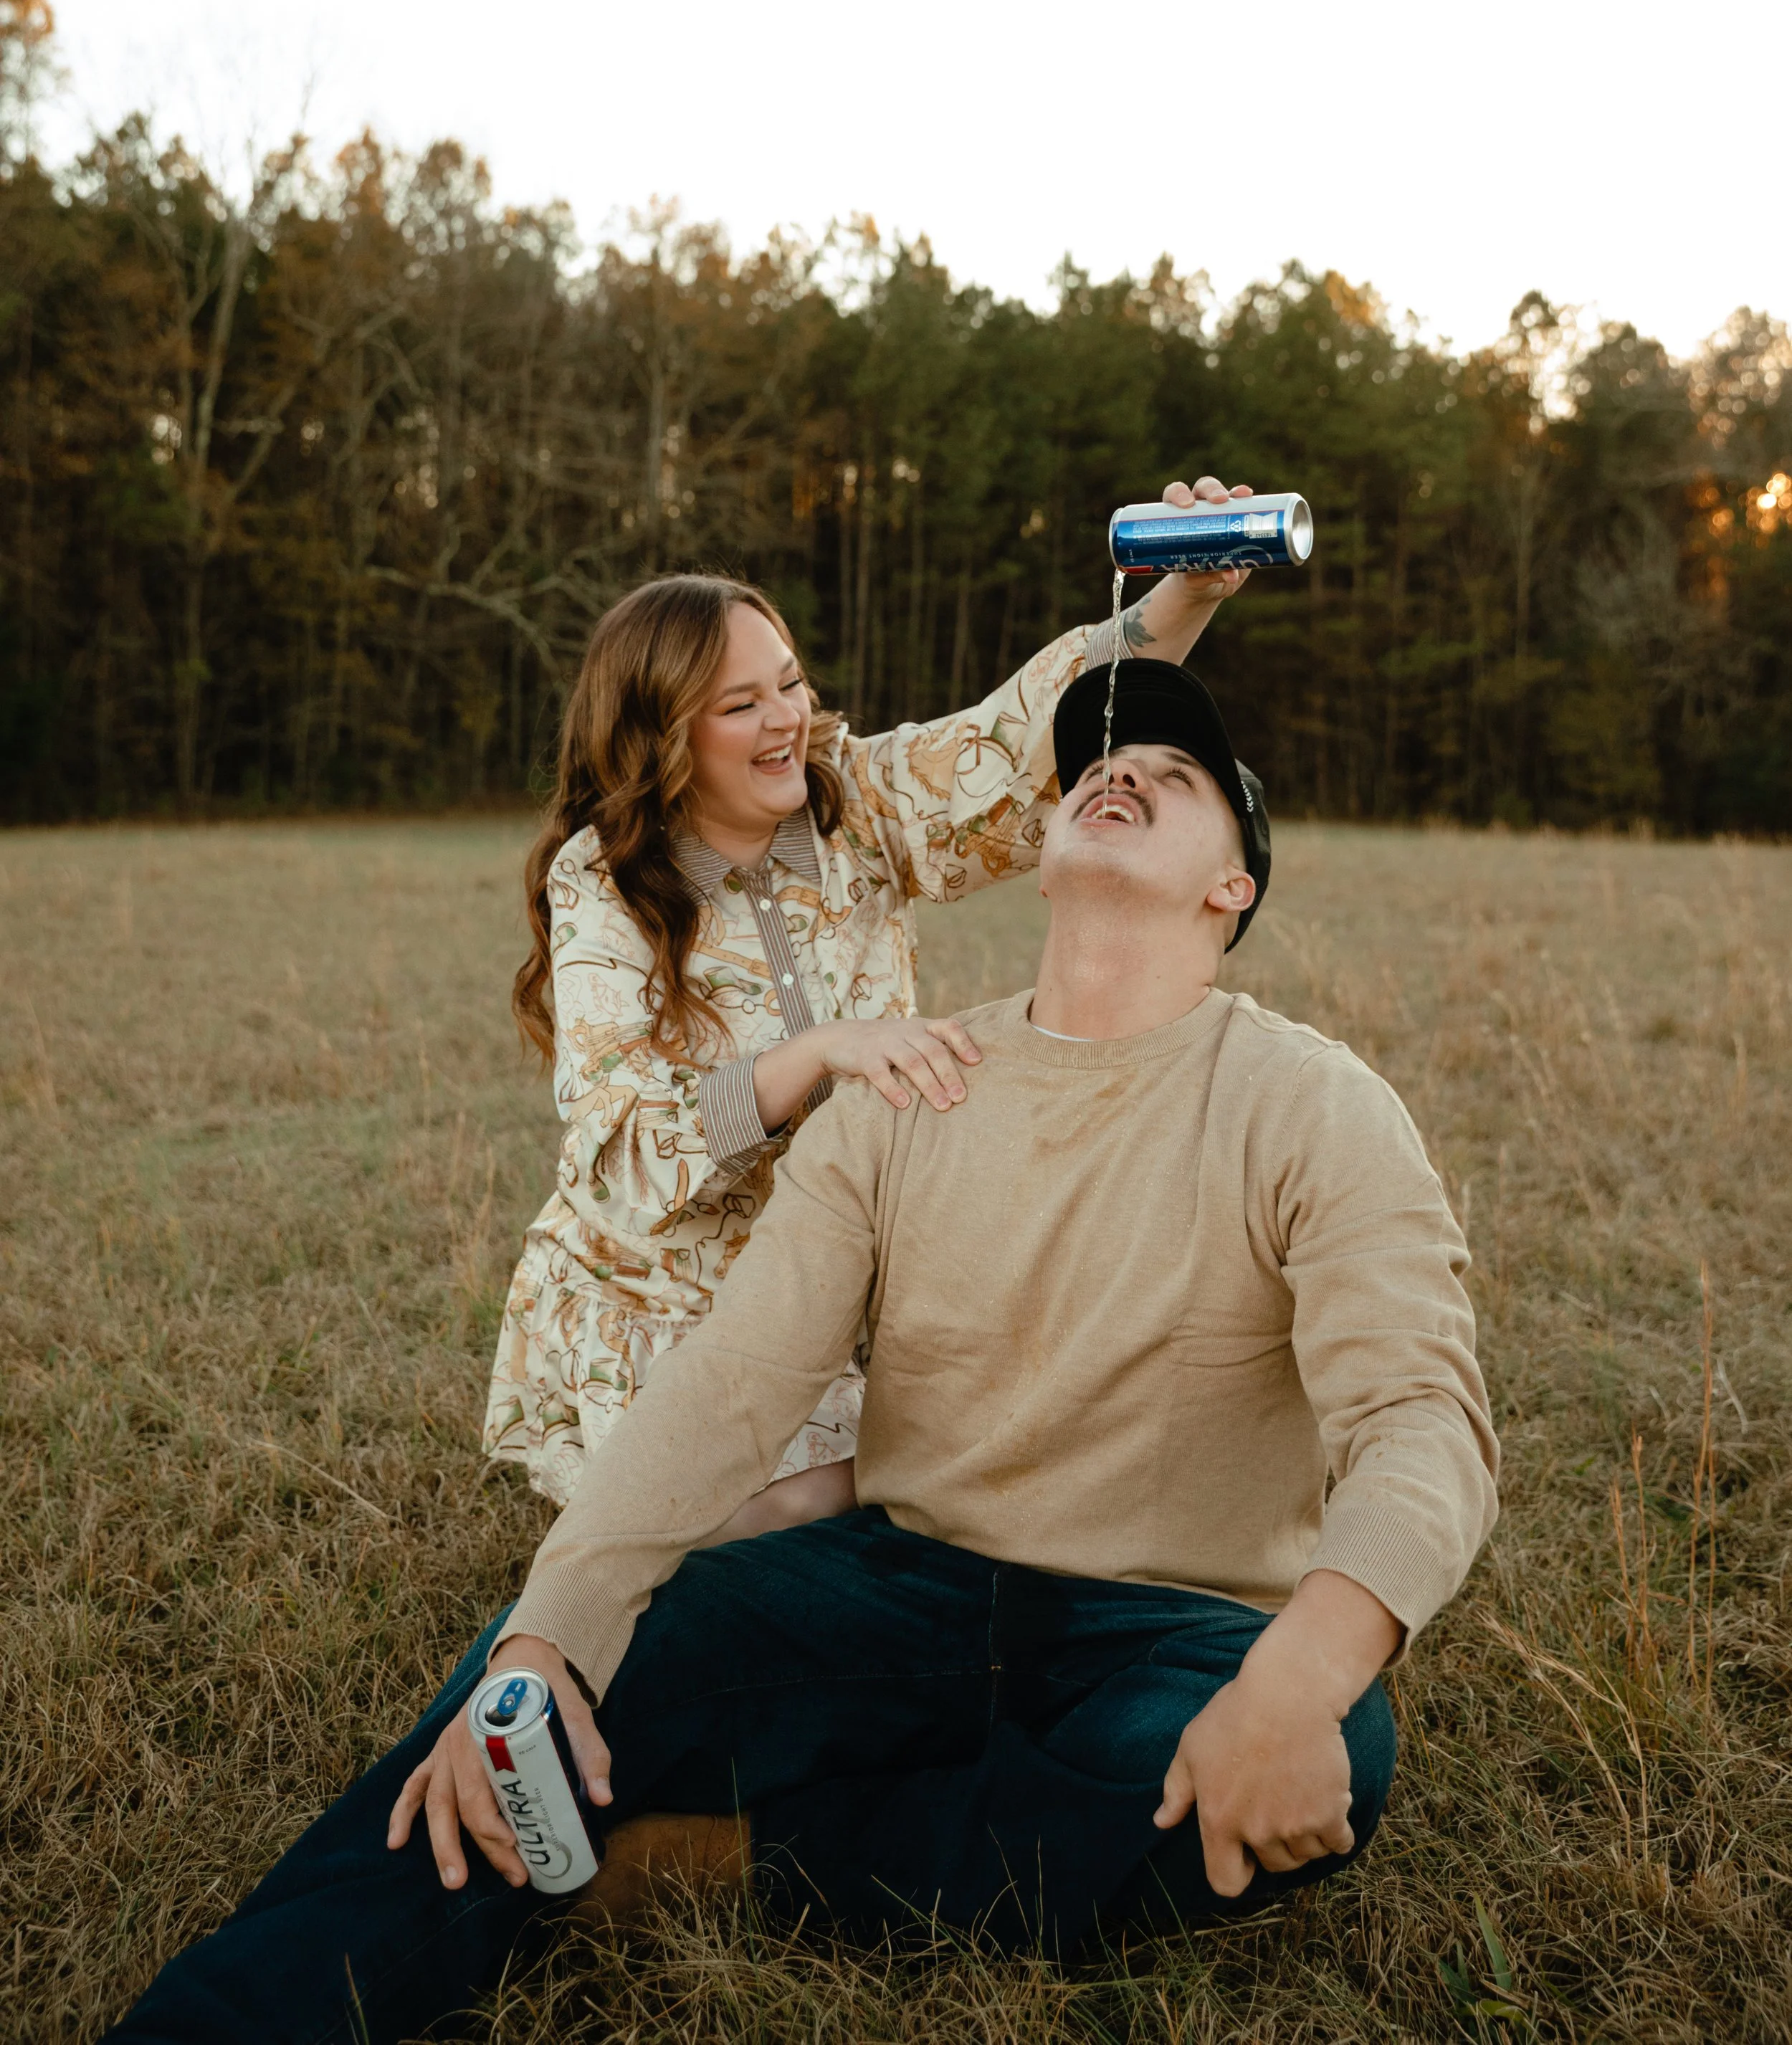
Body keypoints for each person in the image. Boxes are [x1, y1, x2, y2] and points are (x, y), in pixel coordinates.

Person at [108, 659, 1498, 2045]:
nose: (1115, 771)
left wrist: (1290, 1684)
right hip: (899, 1587)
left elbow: (1420, 1422)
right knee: (524, 1699)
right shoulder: (910, 1084)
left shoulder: (1312, 1104)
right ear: (1042, 858)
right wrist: (546, 1631)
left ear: (1230, 889)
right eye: (1091, 766)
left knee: (1334, 1757)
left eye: (1174, 777)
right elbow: (731, 1385)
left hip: (1163, 1631)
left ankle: (732, 1866)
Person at [485, 477, 1255, 1528]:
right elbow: (616, 1157)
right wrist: (814, 1055)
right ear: (660, 733)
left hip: (856, 1292)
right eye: (740, 703)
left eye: (792, 684)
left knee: (1023, 1451)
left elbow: (1007, 747)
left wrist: (1182, 601)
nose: (786, 721)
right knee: (768, 1524)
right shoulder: (604, 881)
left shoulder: (855, 798)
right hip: (672, 1305)